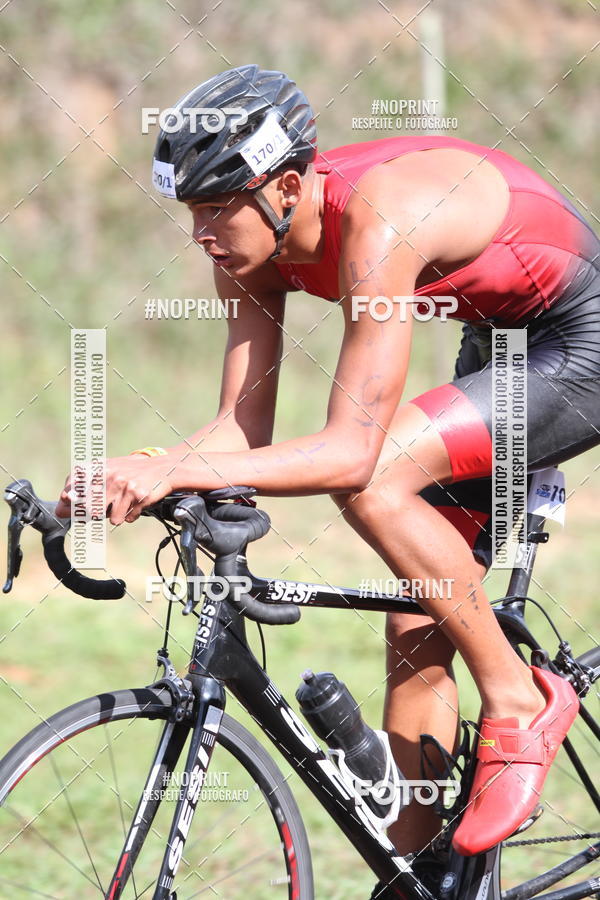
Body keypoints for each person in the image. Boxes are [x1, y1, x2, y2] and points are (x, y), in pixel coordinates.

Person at [57, 64, 600, 895]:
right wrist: (144, 472)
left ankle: (519, 703)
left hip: (577, 341)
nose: (198, 231)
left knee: (377, 484)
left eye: (213, 207)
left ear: (281, 187)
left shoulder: (379, 221)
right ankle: (421, 880)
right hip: (498, 340)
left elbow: (352, 453)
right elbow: (241, 427)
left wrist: (173, 469)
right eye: (188, 210)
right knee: (421, 620)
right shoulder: (248, 249)